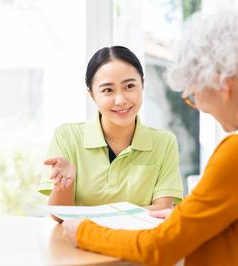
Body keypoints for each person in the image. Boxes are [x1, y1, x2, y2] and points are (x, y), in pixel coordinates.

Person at [61, 3, 238, 266]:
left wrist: (83, 231)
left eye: (194, 95)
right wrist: (185, 219)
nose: (199, 106)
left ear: (223, 85)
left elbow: (159, 249)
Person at [39, 46, 183, 222]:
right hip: (79, 244)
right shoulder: (67, 136)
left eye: (129, 86)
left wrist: (91, 216)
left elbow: (162, 210)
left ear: (142, 85)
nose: (121, 100)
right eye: (108, 90)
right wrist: (64, 187)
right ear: (92, 95)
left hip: (137, 245)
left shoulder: (164, 142)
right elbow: (59, 216)